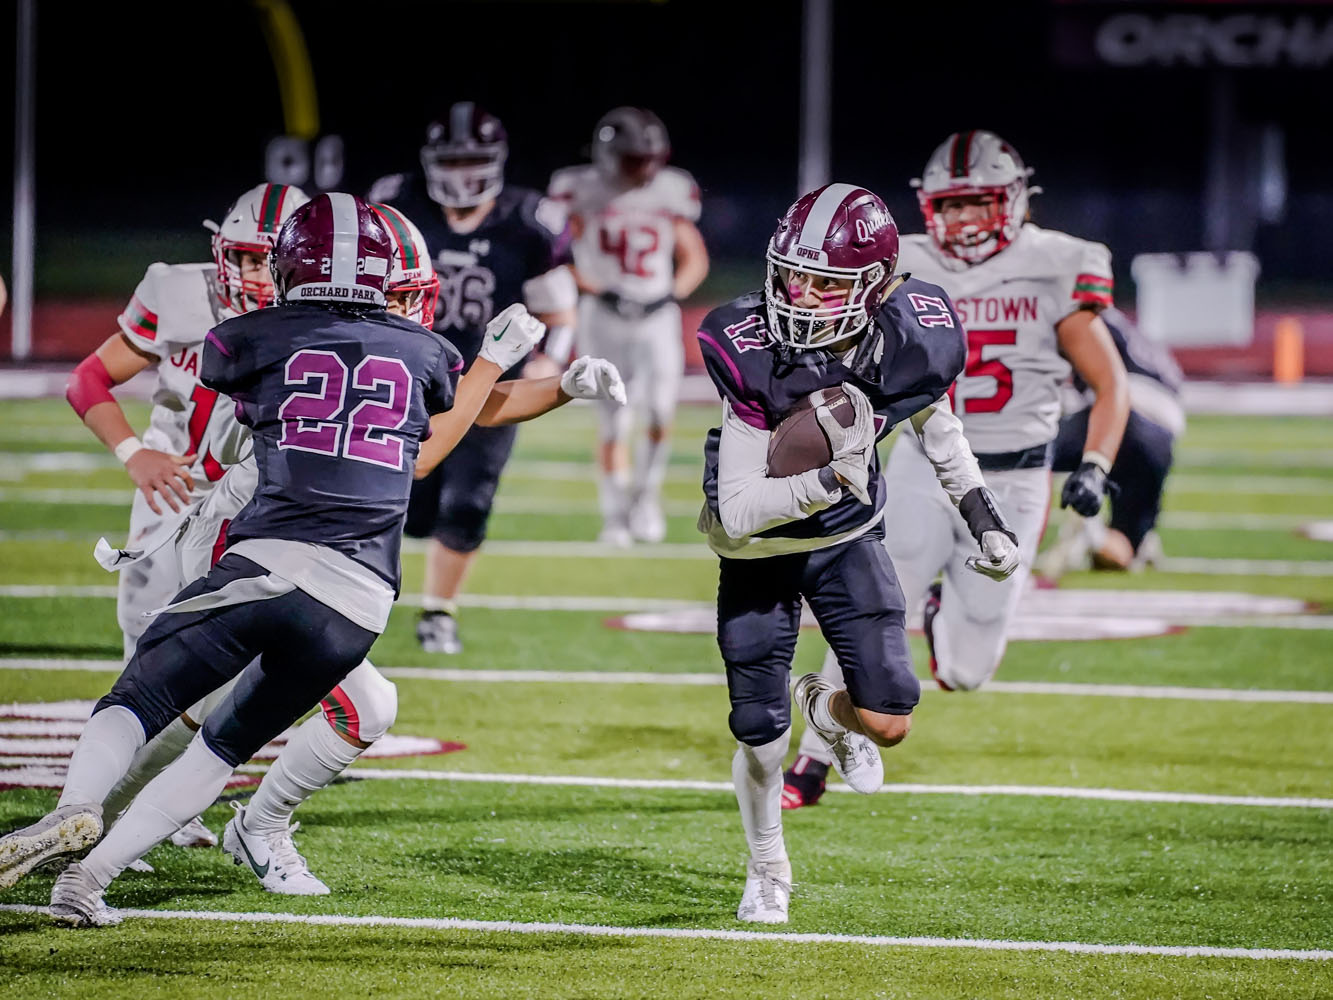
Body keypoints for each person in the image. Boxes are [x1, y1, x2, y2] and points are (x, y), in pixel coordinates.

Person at [0, 194, 618, 927]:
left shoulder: (250, 337)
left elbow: (284, 372)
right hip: (352, 598)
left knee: (142, 698)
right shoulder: (421, 352)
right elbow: (439, 418)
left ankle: (90, 811)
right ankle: (92, 877)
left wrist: (520, 377)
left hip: (253, 550)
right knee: (220, 741)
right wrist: (512, 368)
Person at [697, 183, 1019, 923]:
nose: (800, 295)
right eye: (792, 275)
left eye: (825, 282)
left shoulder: (912, 337)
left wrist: (983, 518)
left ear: (873, 286)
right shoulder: (747, 349)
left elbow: (937, 428)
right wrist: (826, 476)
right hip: (756, 553)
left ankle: (828, 710)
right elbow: (742, 515)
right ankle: (768, 866)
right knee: (757, 732)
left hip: (845, 537)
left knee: (892, 717)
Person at [782, 131, 1130, 810]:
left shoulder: (1058, 263)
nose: (964, 221)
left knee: (968, 674)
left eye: (978, 204)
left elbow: (1110, 382)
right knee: (870, 614)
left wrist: (1093, 464)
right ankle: (811, 761)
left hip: (1016, 478)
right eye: (951, 205)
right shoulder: (901, 261)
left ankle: (946, 612)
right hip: (923, 461)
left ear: (1013, 201)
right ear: (927, 205)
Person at [67, 182, 309, 850]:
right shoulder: (177, 292)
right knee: (148, 669)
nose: (258, 276)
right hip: (175, 501)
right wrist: (133, 451)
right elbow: (87, 379)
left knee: (230, 669)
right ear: (220, 251)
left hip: (257, 506)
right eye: (247, 258)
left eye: (274, 259)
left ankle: (167, 804)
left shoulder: (318, 317)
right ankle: (96, 816)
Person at [369, 102, 579, 655]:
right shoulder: (396, 204)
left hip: (487, 383)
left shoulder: (529, 220)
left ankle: (439, 610)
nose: (462, 174)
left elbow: (559, 312)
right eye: (452, 160)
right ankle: (359, 591)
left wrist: (547, 361)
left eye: (473, 160)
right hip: (407, 374)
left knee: (468, 501)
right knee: (393, 494)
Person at [548, 106, 710, 546]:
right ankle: (615, 514)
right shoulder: (578, 189)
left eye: (650, 158)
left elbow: (693, 256)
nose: (646, 169)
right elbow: (558, 253)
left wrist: (671, 292)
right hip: (602, 316)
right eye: (635, 159)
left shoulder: (669, 190)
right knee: (613, 422)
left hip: (656, 319)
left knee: (659, 414)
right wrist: (595, 288)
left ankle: (645, 498)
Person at [1043, 306, 1182, 572]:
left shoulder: (1077, 315)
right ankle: (1109, 537)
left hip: (1125, 411)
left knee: (1023, 451)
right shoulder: (1122, 324)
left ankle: (1086, 529)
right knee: (1121, 552)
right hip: (1162, 434)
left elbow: (1101, 387)